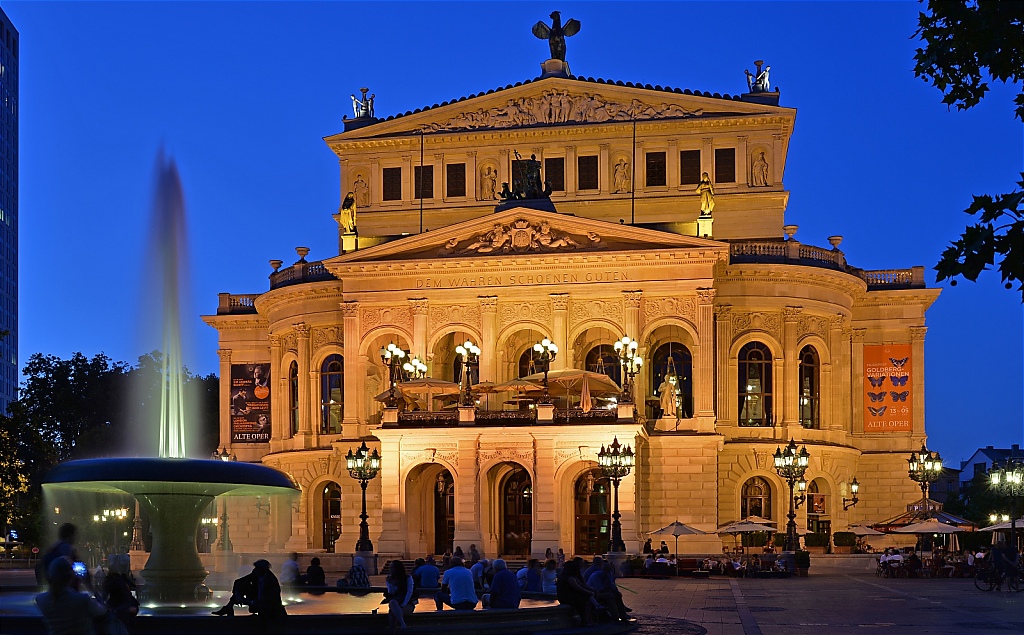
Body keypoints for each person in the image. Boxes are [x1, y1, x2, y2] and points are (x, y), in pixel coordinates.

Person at [35, 557, 110, 635]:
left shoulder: (40, 600)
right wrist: (89, 586)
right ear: (71, 576)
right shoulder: (82, 600)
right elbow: (103, 612)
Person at [212, 559, 286, 619]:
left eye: (257, 568)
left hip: (267, 606)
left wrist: (251, 602)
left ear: (262, 570)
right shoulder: (256, 574)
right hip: (257, 600)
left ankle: (228, 608)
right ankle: (229, 607)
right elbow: (238, 581)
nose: (254, 570)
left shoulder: (271, 581)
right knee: (243, 584)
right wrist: (237, 593)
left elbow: (270, 600)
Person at [556, 558, 601, 626]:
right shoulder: (569, 578)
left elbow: (582, 586)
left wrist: (591, 590)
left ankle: (591, 616)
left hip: (569, 596)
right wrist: (590, 592)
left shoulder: (569, 576)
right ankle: (586, 620)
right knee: (587, 600)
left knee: (588, 598)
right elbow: (579, 588)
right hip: (567, 597)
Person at [385, 560, 416, 632]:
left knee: (392, 613)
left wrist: (403, 604)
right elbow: (391, 593)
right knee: (393, 603)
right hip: (396, 603)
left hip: (407, 604)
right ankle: (402, 624)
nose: (390, 569)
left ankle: (397, 628)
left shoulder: (408, 578)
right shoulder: (389, 579)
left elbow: (409, 592)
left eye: (392, 567)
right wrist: (391, 584)